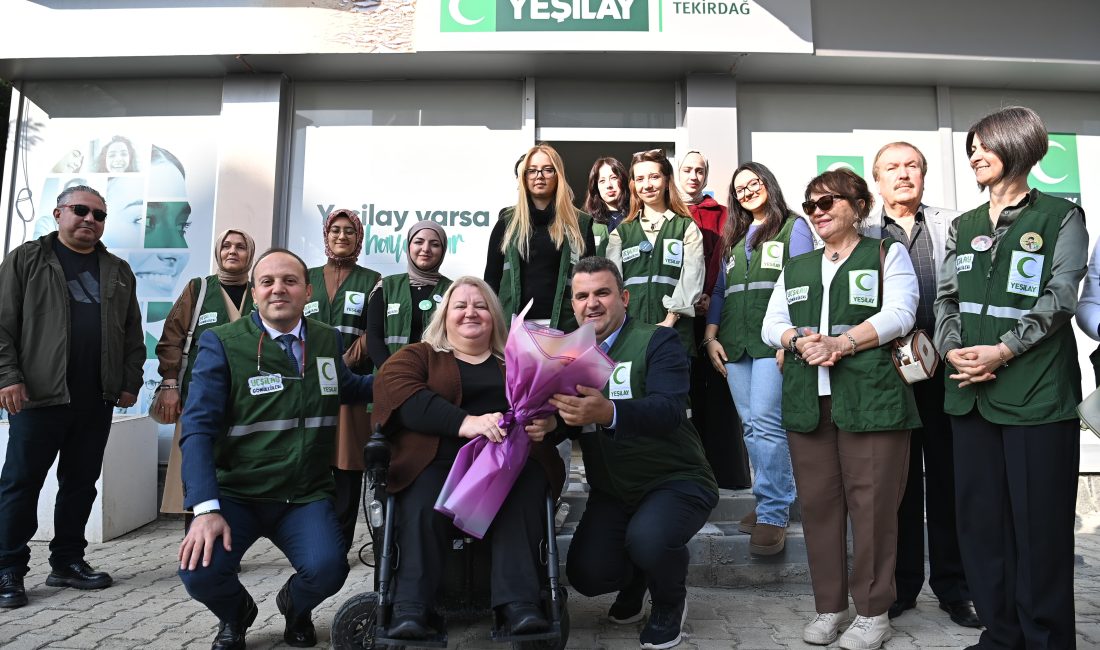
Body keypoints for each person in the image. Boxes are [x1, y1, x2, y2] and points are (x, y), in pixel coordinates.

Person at [934, 106, 1087, 650]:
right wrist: (955, 353)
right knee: (982, 529)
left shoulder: (1061, 217)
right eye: (971, 146)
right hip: (969, 395)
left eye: (985, 145)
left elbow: (1062, 295)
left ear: (1019, 147)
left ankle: (1046, 641)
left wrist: (1001, 350)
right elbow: (945, 298)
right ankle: (1000, 637)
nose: (974, 154)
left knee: (1039, 532)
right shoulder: (963, 225)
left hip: (1038, 396)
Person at [177, 248, 374, 649]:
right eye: (267, 282)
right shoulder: (223, 343)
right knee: (199, 571)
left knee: (328, 570)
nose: (278, 289)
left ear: (306, 290)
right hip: (237, 494)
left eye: (289, 281)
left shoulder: (326, 338)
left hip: (303, 494)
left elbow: (347, 388)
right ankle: (237, 616)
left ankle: (294, 608)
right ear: (254, 292)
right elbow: (197, 430)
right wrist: (205, 509)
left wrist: (413, 374)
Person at [762, 168, 919, 650]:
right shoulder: (799, 266)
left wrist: (843, 342)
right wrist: (796, 340)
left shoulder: (885, 253)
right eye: (810, 205)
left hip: (872, 401)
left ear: (858, 206)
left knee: (873, 509)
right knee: (817, 508)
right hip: (810, 402)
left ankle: (874, 613)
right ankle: (830, 607)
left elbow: (900, 313)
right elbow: (773, 322)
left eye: (829, 202)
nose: (818, 211)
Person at [370, 276, 562, 640]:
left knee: (521, 491)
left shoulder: (519, 361)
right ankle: (411, 606)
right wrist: (466, 422)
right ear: (444, 316)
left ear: (494, 317)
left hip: (507, 465)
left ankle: (519, 604)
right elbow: (401, 395)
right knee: (422, 499)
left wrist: (550, 422)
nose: (470, 312)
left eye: (480, 305)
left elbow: (557, 406)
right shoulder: (418, 356)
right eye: (460, 306)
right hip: (436, 461)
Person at [552, 256, 718, 650]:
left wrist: (609, 411)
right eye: (582, 296)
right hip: (614, 492)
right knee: (587, 575)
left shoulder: (657, 340)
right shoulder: (567, 355)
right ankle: (638, 579)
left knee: (650, 540)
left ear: (624, 298)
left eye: (602, 293)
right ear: (573, 305)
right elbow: (565, 417)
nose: (592, 303)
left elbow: (669, 410)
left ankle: (668, 602)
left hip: (676, 481)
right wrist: (547, 425)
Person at [0, 185, 144, 609]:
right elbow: (3, 325)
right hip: (38, 396)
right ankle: (8, 567)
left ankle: (66, 562)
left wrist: (129, 380)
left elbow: (133, 334)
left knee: (80, 485)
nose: (89, 220)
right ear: (59, 212)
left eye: (99, 215)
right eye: (80, 211)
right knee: (21, 484)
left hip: (94, 398)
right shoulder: (26, 260)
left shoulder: (117, 269)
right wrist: (7, 377)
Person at [859, 142, 980, 628]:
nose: (903, 174)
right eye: (892, 167)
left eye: (912, 166)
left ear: (925, 176)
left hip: (946, 372)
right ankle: (901, 586)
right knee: (898, 485)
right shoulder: (864, 234)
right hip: (888, 377)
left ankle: (955, 588)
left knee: (950, 482)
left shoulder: (954, 225)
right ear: (877, 180)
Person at [702, 162, 814, 555]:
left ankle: (774, 511)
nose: (748, 191)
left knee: (767, 423)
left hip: (772, 342)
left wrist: (793, 339)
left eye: (754, 183)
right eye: (740, 189)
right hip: (735, 343)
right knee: (750, 426)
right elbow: (718, 291)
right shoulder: (732, 236)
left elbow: (806, 282)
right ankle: (769, 498)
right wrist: (710, 336)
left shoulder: (793, 227)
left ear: (768, 183)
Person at [155, 229, 257, 516]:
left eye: (241, 246)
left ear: (251, 254)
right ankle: (198, 546)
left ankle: (231, 548)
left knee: (237, 473)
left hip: (248, 402)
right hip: (198, 397)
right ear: (218, 252)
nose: (233, 251)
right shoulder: (198, 289)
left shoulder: (261, 291)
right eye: (226, 246)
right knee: (197, 470)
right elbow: (171, 338)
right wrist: (170, 385)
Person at [306, 208, 380, 553]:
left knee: (347, 466)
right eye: (335, 230)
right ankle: (312, 541)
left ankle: (340, 544)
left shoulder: (373, 280)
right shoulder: (306, 278)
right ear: (326, 234)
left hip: (351, 385)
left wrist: (342, 363)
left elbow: (372, 332)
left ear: (358, 237)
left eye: (349, 231)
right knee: (314, 463)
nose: (341, 236)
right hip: (307, 386)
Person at [678, 151, 752, 491]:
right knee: (683, 397)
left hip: (712, 318)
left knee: (719, 400)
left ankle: (728, 475)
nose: (694, 175)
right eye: (687, 169)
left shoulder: (722, 215)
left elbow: (726, 263)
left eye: (700, 170)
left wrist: (709, 297)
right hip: (675, 318)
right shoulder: (666, 214)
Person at [485, 143, 596, 331]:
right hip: (514, 328)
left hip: (566, 327)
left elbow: (592, 280)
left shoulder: (580, 223)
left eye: (547, 170)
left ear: (558, 175)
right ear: (524, 177)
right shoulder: (507, 222)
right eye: (532, 170)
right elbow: (491, 281)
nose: (539, 176)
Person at [606, 150, 704, 355]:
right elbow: (612, 286)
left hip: (675, 333)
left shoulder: (686, 227)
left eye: (654, 177)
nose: (647, 185)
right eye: (640, 179)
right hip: (630, 335)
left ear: (667, 180)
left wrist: (670, 320)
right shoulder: (620, 233)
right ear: (633, 185)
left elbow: (692, 278)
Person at [365, 220, 453, 370]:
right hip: (389, 379)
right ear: (408, 246)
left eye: (435, 244)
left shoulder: (453, 291)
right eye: (419, 242)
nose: (426, 249)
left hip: (437, 380)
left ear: (443, 250)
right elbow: (373, 338)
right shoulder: (386, 287)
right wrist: (392, 373)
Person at [584, 156, 629, 257]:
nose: (609, 185)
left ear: (623, 180)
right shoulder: (587, 223)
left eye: (613, 178)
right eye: (602, 181)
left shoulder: (637, 218)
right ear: (596, 187)